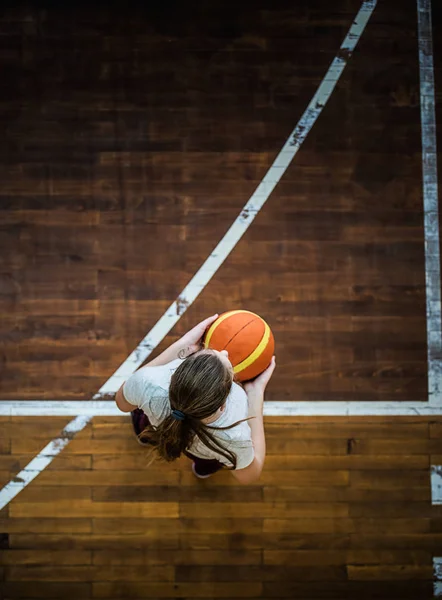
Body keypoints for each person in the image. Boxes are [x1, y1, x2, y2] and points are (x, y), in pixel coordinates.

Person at [115, 345, 276, 485]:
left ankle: (144, 437)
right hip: (207, 450)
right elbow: (250, 475)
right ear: (222, 406)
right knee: (209, 462)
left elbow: (123, 403)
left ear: (173, 377)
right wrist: (256, 393)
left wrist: (182, 345)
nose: (225, 352)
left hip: (159, 427)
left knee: (144, 423)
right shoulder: (233, 437)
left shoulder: (149, 384)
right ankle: (202, 471)